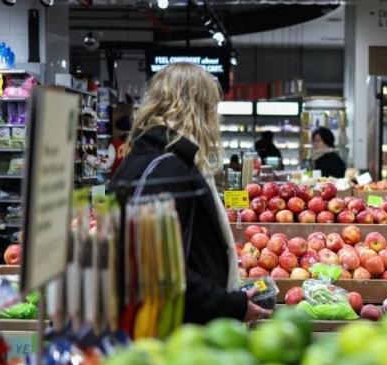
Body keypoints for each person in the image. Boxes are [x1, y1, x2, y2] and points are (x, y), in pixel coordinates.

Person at [110, 62, 271, 324]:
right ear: (199, 110)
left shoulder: (145, 159)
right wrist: (229, 305)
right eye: (212, 109)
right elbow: (158, 269)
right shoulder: (167, 168)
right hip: (172, 329)